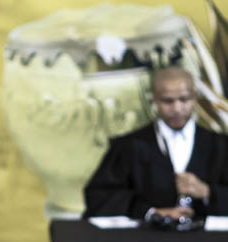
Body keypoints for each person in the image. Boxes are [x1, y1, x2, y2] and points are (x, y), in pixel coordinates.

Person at [84, 66, 228, 219]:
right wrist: (151, 213)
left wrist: (207, 192)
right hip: (146, 240)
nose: (177, 108)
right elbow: (99, 197)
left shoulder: (221, 146)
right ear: (154, 99)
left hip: (208, 241)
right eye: (168, 101)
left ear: (195, 97)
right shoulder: (129, 146)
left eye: (184, 99)